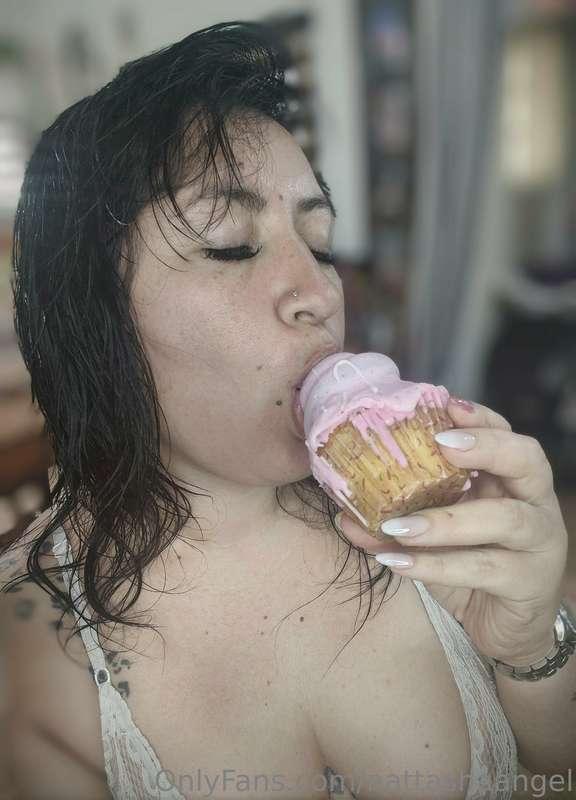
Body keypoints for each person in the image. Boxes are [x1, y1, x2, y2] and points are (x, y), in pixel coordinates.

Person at [0, 20, 573, 800]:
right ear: (90, 319)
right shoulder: (34, 661)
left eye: (321, 244)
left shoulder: (433, 518)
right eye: (231, 245)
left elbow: (556, 766)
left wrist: (532, 644)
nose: (319, 294)